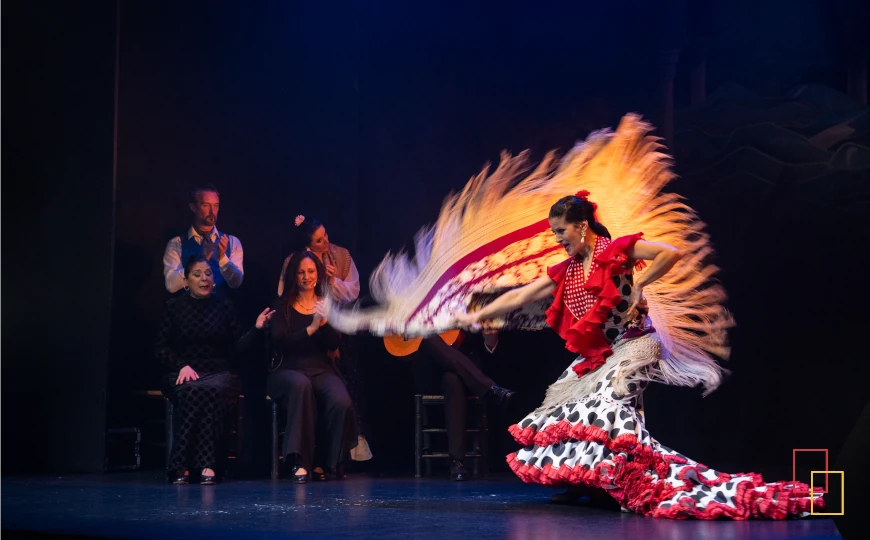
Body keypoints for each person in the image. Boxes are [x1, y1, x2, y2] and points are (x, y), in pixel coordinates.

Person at [455, 192, 820, 518]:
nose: (557, 239)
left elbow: (670, 253)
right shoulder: (566, 270)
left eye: (560, 231)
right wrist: (475, 315)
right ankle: (588, 483)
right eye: (554, 233)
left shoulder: (617, 252)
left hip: (637, 343)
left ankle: (619, 481)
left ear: (581, 227)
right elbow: (520, 296)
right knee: (558, 407)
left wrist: (641, 284)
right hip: (602, 352)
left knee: (606, 405)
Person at [156, 255, 273, 485]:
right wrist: (181, 365)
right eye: (197, 274)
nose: (204, 279)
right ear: (185, 279)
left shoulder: (224, 306)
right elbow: (160, 348)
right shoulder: (174, 308)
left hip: (220, 372)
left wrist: (256, 329)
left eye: (208, 274)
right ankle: (183, 464)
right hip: (184, 371)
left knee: (210, 390)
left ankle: (207, 464)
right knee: (192, 391)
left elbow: (238, 346)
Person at [268, 250, 359, 483]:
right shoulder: (283, 305)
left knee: (341, 400)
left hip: (320, 369)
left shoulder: (323, 305)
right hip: (288, 369)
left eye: (310, 271)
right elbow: (279, 342)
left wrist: (325, 324)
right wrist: (311, 328)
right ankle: (300, 461)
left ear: (317, 275)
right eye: (301, 272)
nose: (306, 277)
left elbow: (334, 343)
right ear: (294, 276)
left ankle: (329, 462)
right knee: (301, 386)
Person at [411, 329, 512, 480]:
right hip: (431, 373)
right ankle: (490, 389)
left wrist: (490, 341)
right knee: (429, 337)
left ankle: (457, 462)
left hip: (465, 377)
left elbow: (488, 355)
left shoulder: (471, 313)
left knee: (453, 380)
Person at [163, 184, 244, 294]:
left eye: (216, 205)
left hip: (220, 308)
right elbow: (171, 285)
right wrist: (201, 259)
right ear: (193, 207)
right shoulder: (176, 243)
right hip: (188, 309)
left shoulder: (232, 242)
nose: (212, 211)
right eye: (206, 205)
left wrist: (223, 259)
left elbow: (236, 283)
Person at [278, 215, 359, 303]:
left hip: (335, 313)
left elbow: (353, 292)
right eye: (319, 241)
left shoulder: (341, 255)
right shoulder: (293, 261)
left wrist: (332, 281)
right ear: (308, 245)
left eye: (325, 234)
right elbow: (284, 294)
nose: (326, 241)